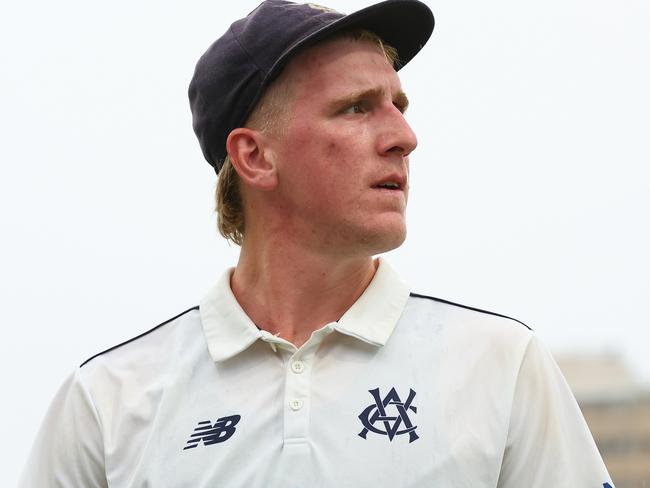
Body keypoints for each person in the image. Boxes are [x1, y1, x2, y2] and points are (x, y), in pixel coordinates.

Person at [20, 1, 615, 486]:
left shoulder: (502, 364)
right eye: (356, 108)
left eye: (398, 106)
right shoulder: (106, 401)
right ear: (254, 156)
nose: (404, 138)